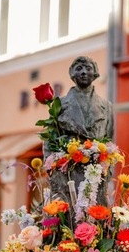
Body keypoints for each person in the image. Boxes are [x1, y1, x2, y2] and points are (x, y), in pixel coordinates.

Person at [45, 56, 115, 206]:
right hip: (68, 176)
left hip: (96, 176)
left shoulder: (106, 106)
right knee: (68, 221)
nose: (84, 72)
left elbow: (110, 141)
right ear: (71, 74)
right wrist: (55, 174)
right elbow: (49, 142)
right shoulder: (60, 105)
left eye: (88, 68)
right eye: (79, 69)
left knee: (95, 221)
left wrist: (107, 172)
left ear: (95, 73)